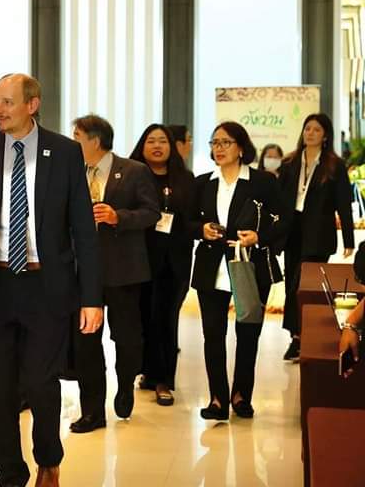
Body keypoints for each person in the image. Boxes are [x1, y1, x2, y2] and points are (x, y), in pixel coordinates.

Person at [0, 74, 103, 487]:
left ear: (31, 104)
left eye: (7, 102)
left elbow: (83, 231)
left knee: (40, 381)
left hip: (46, 285)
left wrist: (92, 298)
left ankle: (48, 460)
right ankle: (10, 473)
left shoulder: (65, 151)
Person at [189, 122, 287, 420]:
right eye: (214, 142)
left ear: (241, 148)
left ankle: (241, 395)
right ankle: (217, 399)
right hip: (211, 266)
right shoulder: (203, 182)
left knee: (248, 334)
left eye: (226, 142)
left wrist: (260, 236)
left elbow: (285, 220)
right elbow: (186, 221)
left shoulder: (262, 182)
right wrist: (200, 230)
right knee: (212, 335)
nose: (218, 148)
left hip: (249, 265)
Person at [70, 115, 160, 432]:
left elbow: (151, 212)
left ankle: (125, 385)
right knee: (86, 342)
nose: (72, 141)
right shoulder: (72, 171)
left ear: (95, 140)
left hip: (123, 269)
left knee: (125, 337)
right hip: (83, 271)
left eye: (77, 136)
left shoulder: (133, 171)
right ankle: (92, 411)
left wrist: (117, 216)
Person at [279, 113, 354, 362]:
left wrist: (349, 239)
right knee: (291, 284)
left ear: (325, 136)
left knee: (302, 285)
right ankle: (296, 336)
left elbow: (343, 204)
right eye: (307, 128)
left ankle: (300, 338)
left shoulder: (334, 165)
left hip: (319, 234)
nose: (310, 133)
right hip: (292, 231)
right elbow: (279, 199)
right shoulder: (290, 162)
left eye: (316, 130)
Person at [129, 124, 195, 407]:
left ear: (172, 147)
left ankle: (163, 379)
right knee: (144, 318)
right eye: (151, 141)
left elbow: (192, 218)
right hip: (139, 259)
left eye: (163, 141)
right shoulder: (132, 175)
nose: (157, 146)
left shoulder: (185, 179)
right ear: (142, 146)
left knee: (166, 319)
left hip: (174, 261)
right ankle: (148, 371)